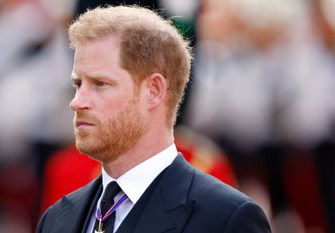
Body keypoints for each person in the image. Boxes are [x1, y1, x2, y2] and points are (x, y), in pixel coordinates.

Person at [36, 5, 271, 233]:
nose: (77, 101)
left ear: (154, 90)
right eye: (78, 84)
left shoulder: (226, 219)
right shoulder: (56, 219)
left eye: (100, 84)